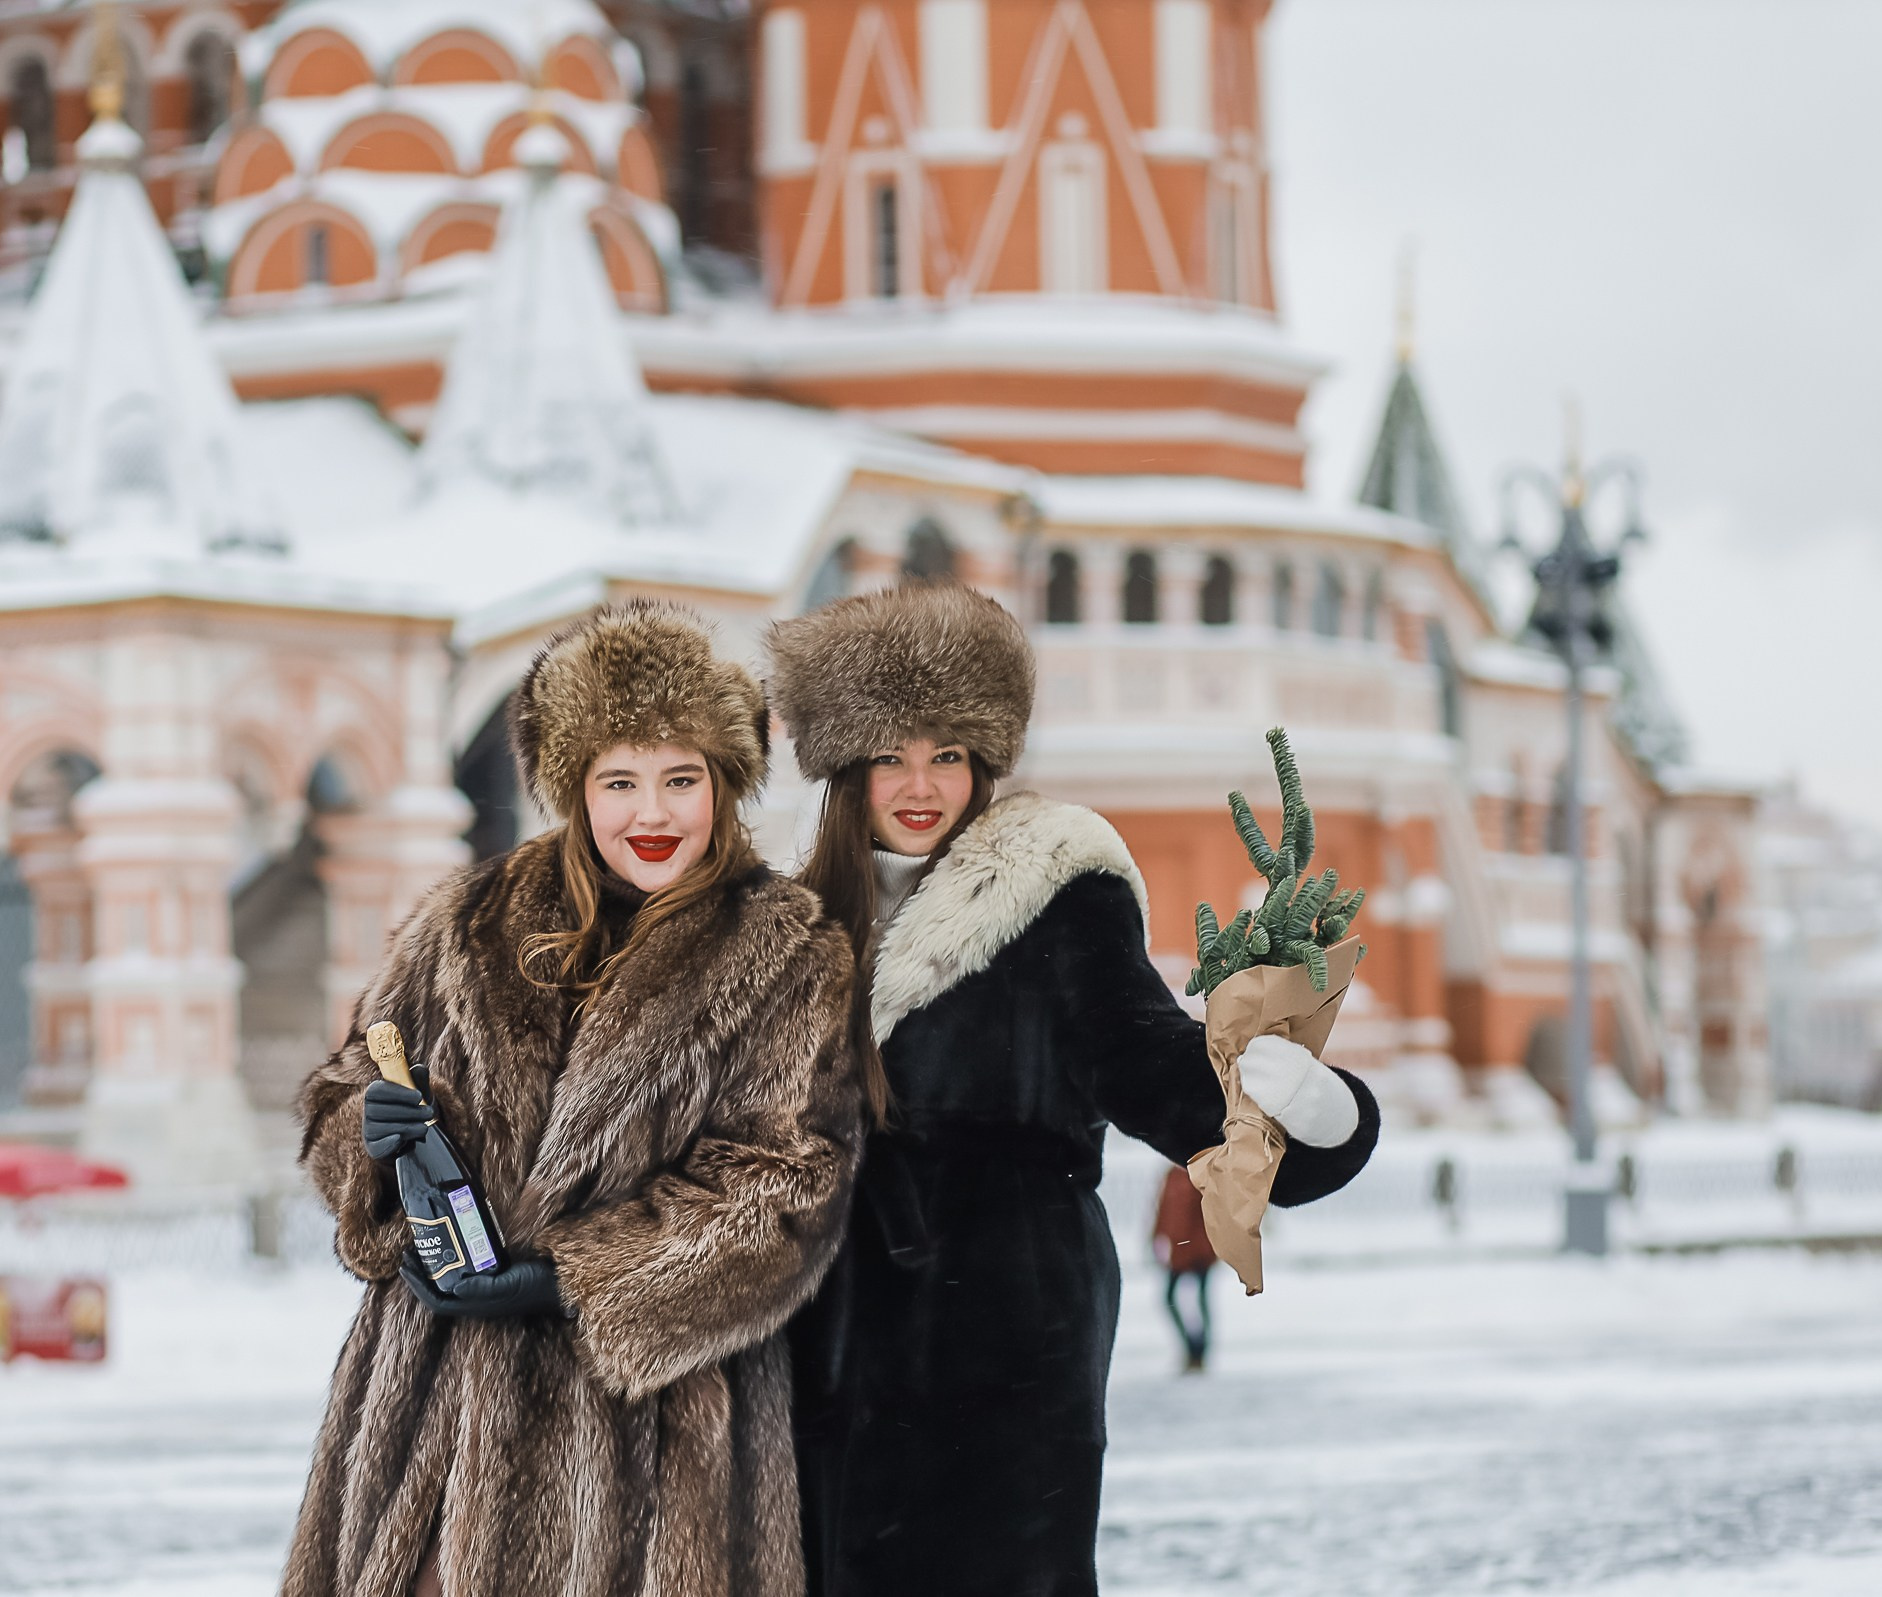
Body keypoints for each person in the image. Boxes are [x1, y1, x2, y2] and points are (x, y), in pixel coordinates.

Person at [769, 584, 1380, 1597]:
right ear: (847, 767)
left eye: (949, 754)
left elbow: (1145, 1056)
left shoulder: (1049, 896)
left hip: (1000, 1353)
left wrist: (1295, 1111)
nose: (921, 785)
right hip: (820, 1368)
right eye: (892, 755)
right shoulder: (785, 930)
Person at [283, 601, 863, 1597]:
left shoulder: (785, 949)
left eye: (683, 779)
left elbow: (783, 1186)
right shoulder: (463, 923)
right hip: (438, 1416)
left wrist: (576, 1281)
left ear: (724, 787)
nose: (652, 813)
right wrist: (363, 1138)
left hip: (651, 1440)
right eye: (620, 781)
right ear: (574, 787)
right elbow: (353, 1081)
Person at [1150, 1163, 1218, 1373]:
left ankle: (1200, 1351)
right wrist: (1155, 1238)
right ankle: (1191, 1346)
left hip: (1199, 1250)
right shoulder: (1172, 1175)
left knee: (1200, 1299)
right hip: (1179, 1251)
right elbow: (1162, 1210)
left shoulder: (1202, 1175)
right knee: (1170, 1298)